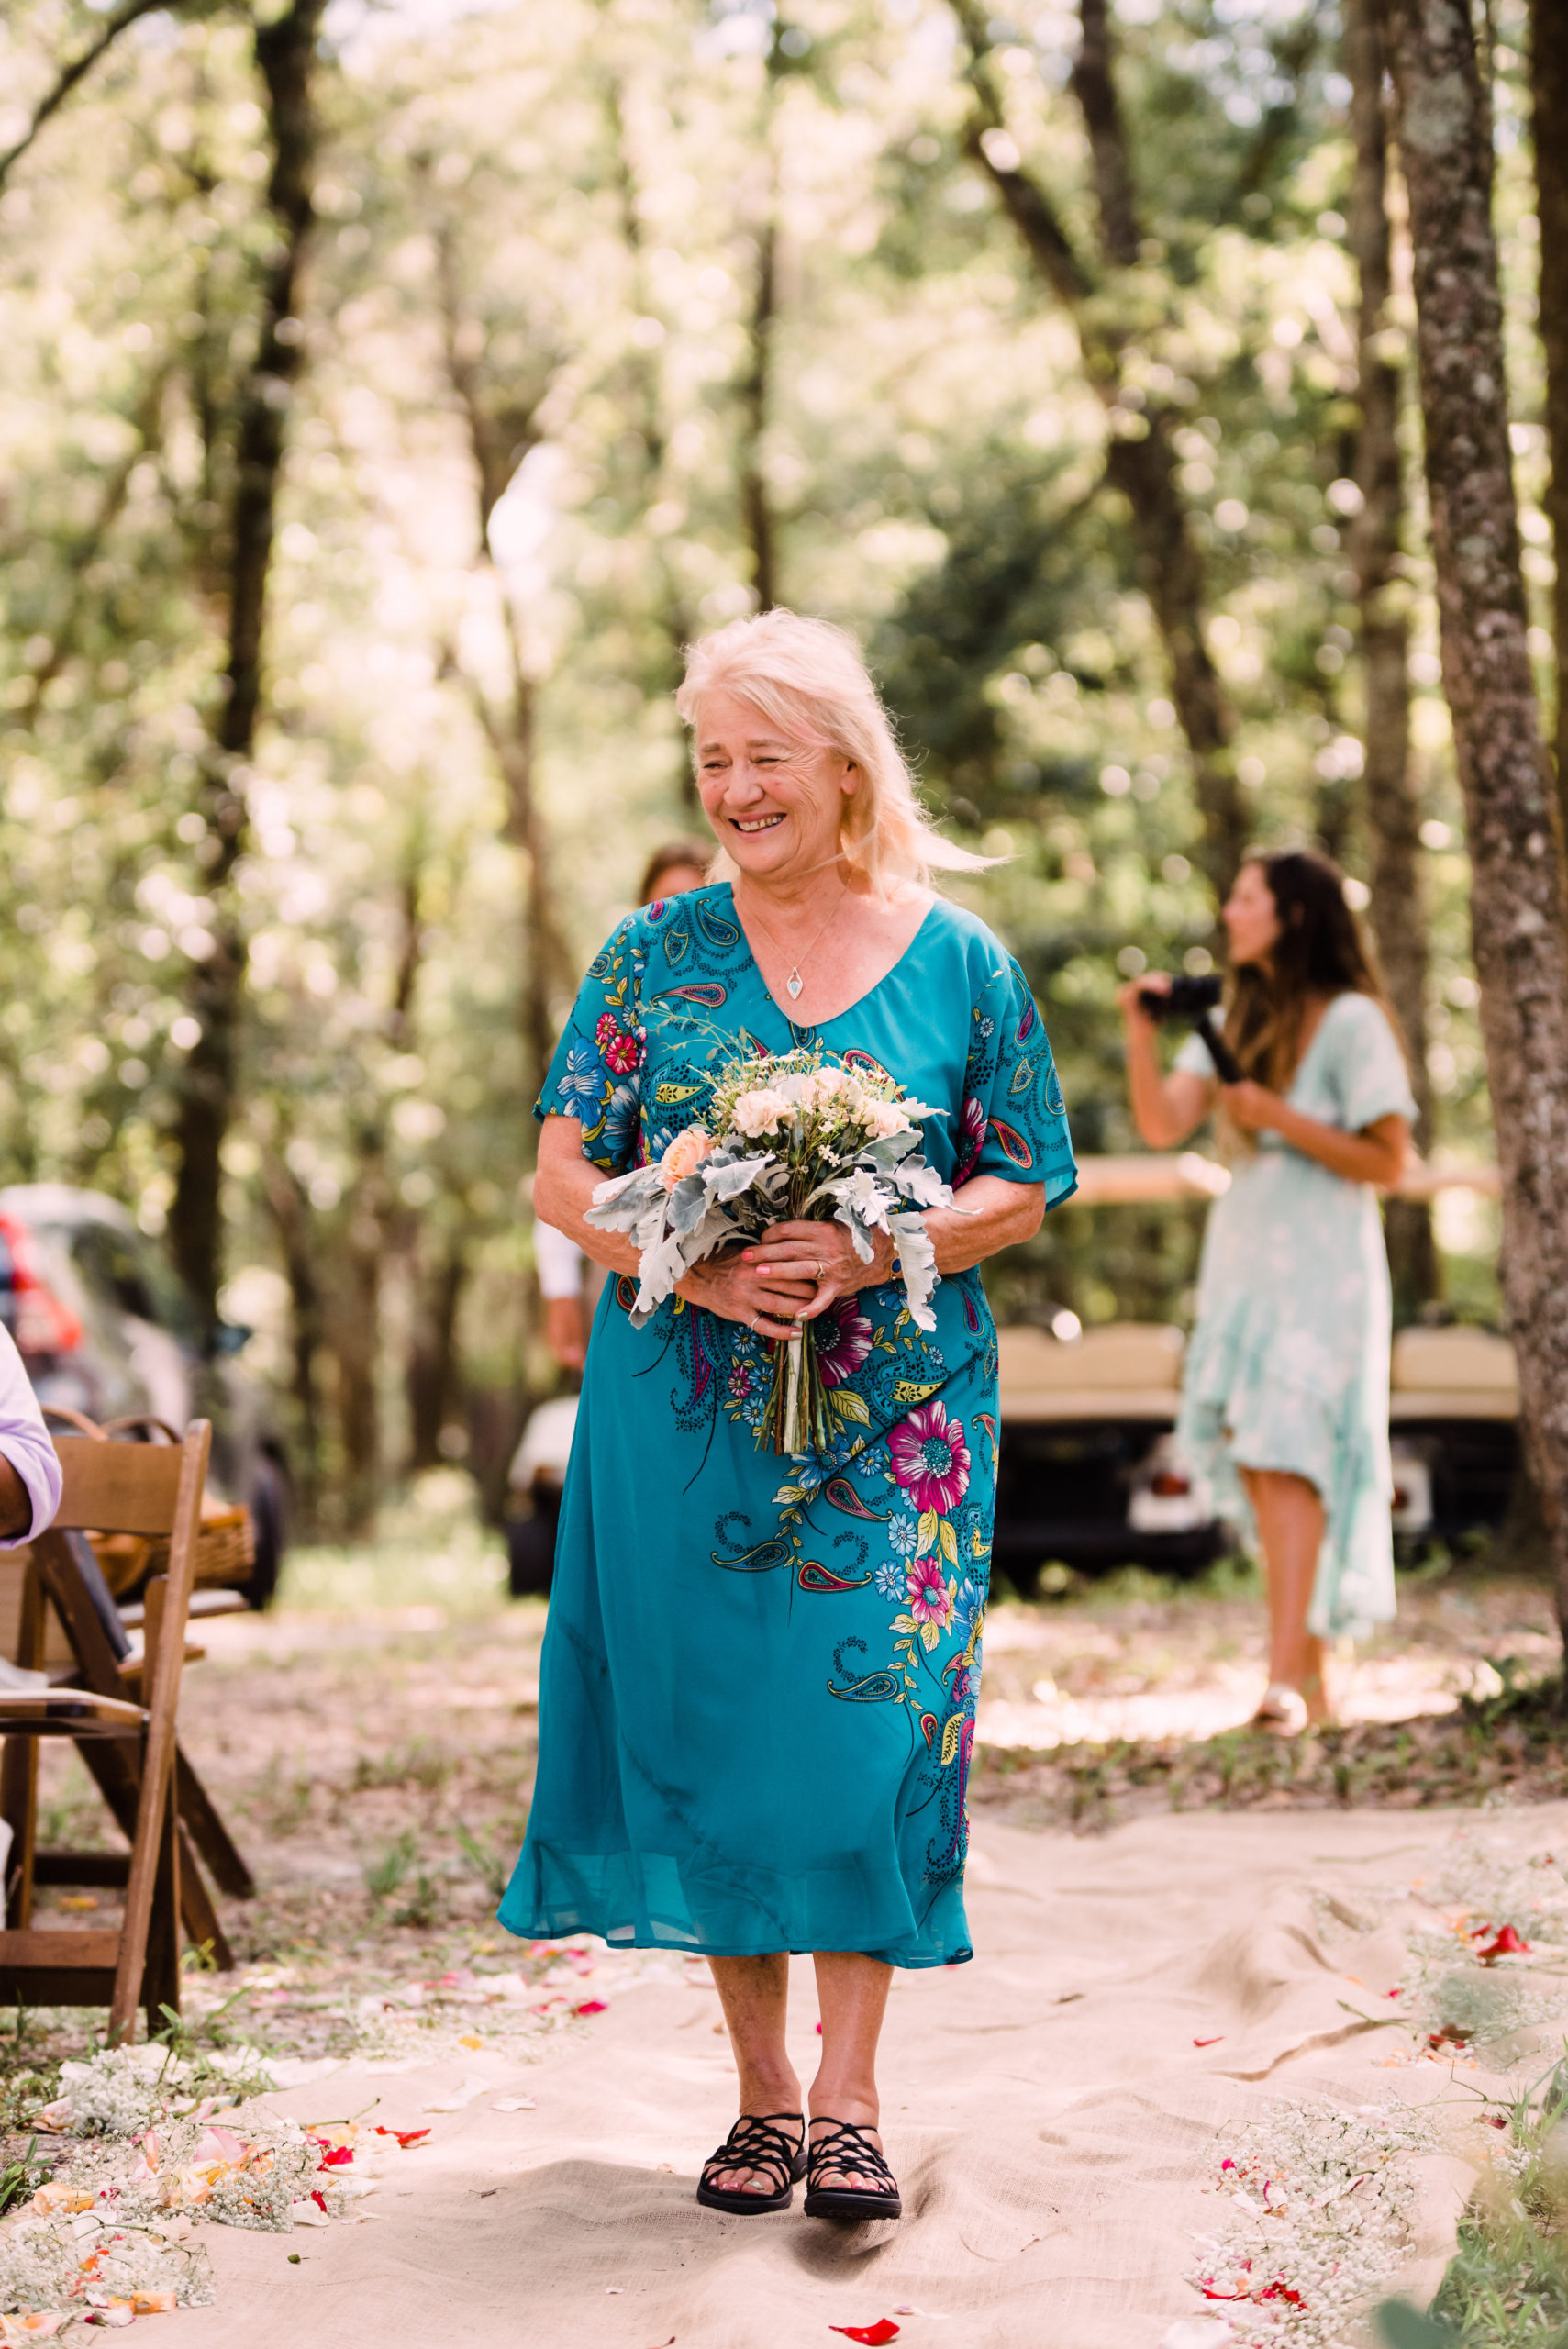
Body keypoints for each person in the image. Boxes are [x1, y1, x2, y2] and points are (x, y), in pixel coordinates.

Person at [500, 609, 1076, 2221]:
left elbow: (1025, 1180)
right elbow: (556, 1174)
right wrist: (690, 1270)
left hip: (897, 1419)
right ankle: (760, 2101)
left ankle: (853, 2098)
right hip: (679, 1410)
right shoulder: (646, 958)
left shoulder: (959, 961)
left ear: (841, 766)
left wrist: (880, 1238)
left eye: (764, 756)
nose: (735, 786)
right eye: (711, 759)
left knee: (869, 1728)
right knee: (718, 1737)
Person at [1118, 848, 1416, 1735]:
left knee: (1294, 1454)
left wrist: (1275, 1116)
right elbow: (1163, 1121)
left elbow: (1390, 1160)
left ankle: (1284, 1678)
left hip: (1324, 1263)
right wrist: (1143, 1033)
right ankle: (1308, 1677)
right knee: (1261, 1458)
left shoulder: (1354, 1021)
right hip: (1247, 1258)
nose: (1230, 913)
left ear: (1290, 914)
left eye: (1245, 900)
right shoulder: (1238, 1019)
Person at [536, 838, 712, 1373]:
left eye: (697, 898)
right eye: (666, 903)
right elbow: (562, 1166)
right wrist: (560, 1291)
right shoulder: (611, 1015)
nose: (680, 918)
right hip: (633, 1264)